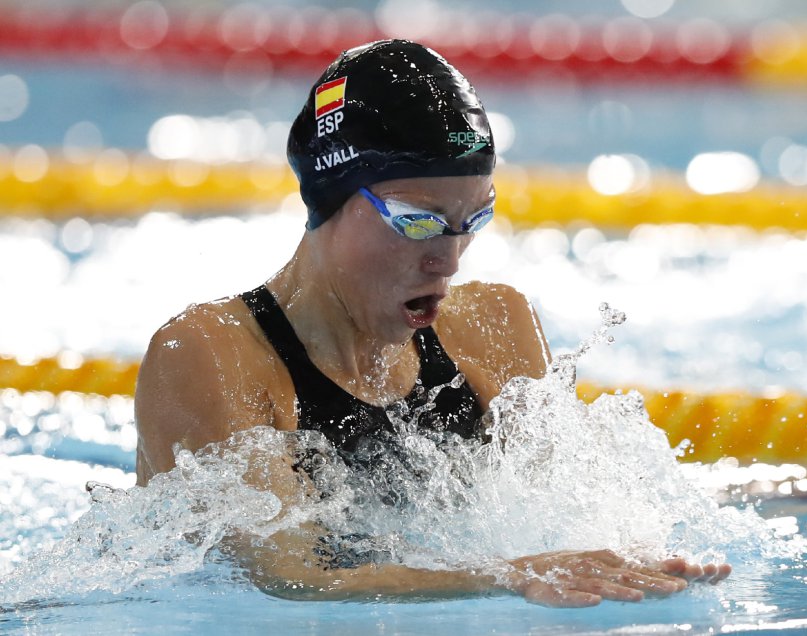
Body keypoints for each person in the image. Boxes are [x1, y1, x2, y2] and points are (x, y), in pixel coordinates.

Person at [134, 39, 730, 607]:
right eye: (418, 221)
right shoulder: (211, 355)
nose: (448, 259)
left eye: (475, 219)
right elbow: (293, 579)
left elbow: (562, 522)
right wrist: (501, 576)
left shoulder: (496, 325)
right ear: (330, 197)